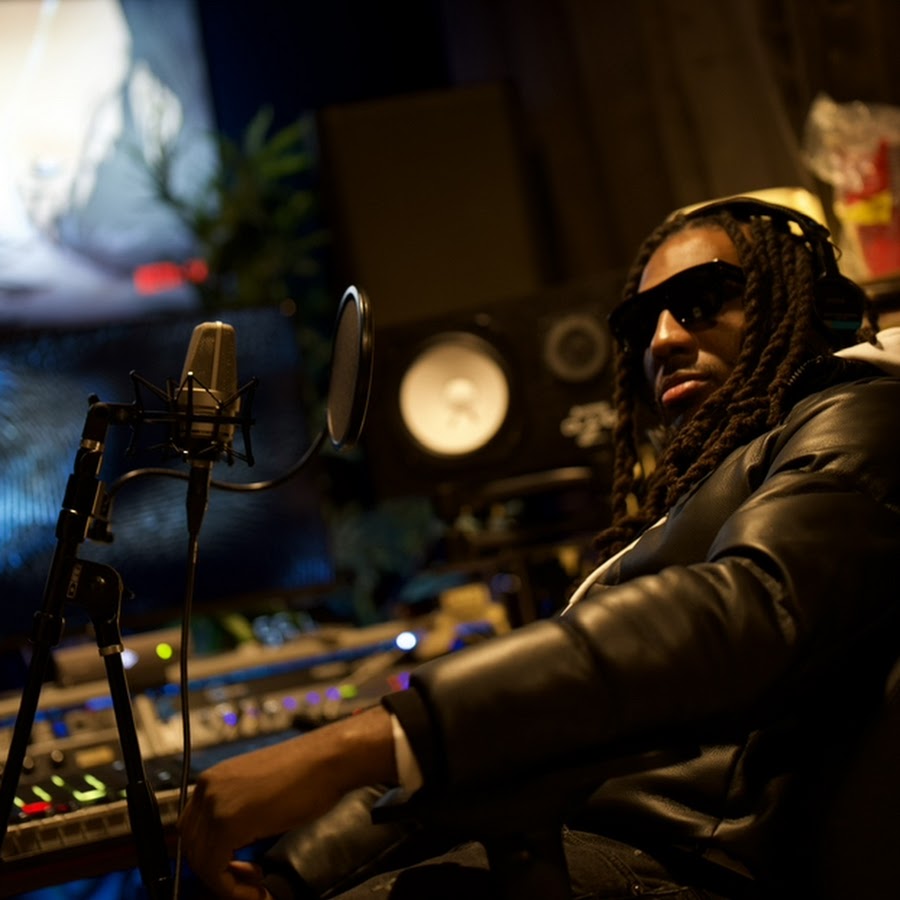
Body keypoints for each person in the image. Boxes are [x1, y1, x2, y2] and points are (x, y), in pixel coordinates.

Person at [177, 196, 900, 899]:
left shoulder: (863, 414)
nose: (662, 340)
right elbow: (519, 733)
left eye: (702, 301)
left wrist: (357, 745)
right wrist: (290, 878)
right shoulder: (702, 496)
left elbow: (749, 609)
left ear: (806, 305)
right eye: (642, 321)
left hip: (679, 868)